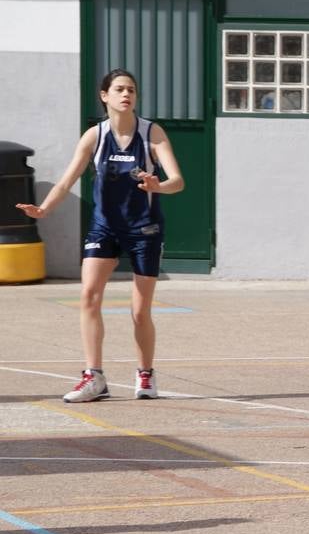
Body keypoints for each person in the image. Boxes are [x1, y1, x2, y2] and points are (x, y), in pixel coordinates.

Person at [16, 68, 185, 403]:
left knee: (140, 311)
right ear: (104, 96)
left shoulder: (152, 133)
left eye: (132, 90)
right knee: (89, 297)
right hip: (104, 226)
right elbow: (66, 181)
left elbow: (178, 181)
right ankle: (94, 377)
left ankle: (145, 373)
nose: (127, 95)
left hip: (144, 229)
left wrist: (159, 186)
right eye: (120, 89)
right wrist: (45, 209)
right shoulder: (95, 136)